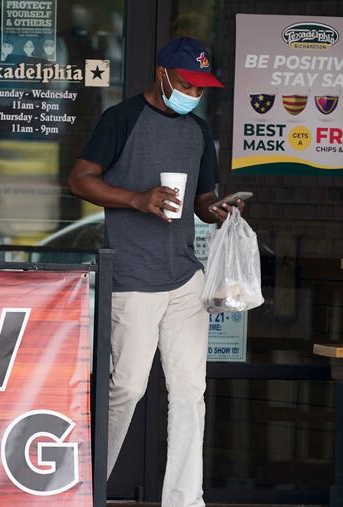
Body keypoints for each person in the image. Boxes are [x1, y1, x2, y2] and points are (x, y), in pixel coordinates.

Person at [67, 37, 244, 506]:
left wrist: (218, 211)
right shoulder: (120, 119)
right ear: (161, 73)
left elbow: (202, 200)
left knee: (190, 392)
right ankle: (85, 488)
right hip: (132, 278)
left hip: (185, 276)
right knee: (125, 388)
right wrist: (136, 199)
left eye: (201, 88)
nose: (194, 94)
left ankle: (185, 499)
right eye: (187, 84)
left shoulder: (198, 132)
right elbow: (79, 179)